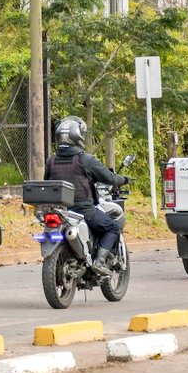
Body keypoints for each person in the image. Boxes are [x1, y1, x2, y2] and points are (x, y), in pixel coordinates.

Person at [44, 115, 129, 277]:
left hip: (59, 212)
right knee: (112, 227)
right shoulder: (86, 160)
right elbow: (109, 178)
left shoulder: (51, 161)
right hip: (83, 211)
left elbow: (47, 183)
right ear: (78, 137)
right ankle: (100, 261)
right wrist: (124, 180)